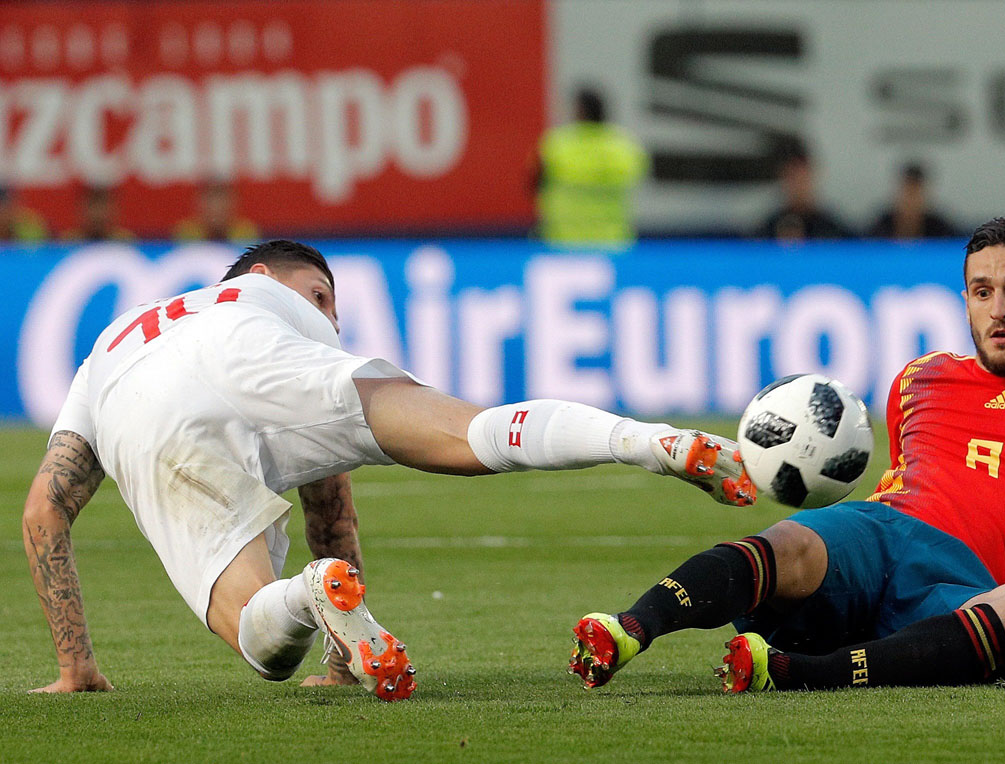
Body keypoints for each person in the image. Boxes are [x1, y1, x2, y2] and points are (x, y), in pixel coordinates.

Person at [569, 217, 1005, 693]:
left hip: (970, 591)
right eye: (981, 291)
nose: (998, 308)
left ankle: (793, 672)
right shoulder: (920, 378)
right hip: (884, 535)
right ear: (965, 301)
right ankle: (629, 630)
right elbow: (901, 483)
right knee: (792, 542)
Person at [24, 240, 754, 701]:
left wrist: (76, 666)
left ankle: (313, 600)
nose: (330, 317)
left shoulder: (113, 340)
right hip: (254, 352)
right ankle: (644, 440)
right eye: (319, 295)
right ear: (261, 276)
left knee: (260, 638)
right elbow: (330, 507)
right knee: (472, 432)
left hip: (140, 406)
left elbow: (44, 512)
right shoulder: (268, 307)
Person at [536, 87, 648, 247]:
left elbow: (535, 184)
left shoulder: (557, 145)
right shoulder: (624, 147)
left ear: (579, 110)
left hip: (563, 241)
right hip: (612, 241)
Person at [755, 139, 851, 242]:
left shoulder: (835, 231)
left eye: (801, 175)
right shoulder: (767, 233)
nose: (797, 183)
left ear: (811, 173)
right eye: (791, 175)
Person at [863, 162, 957, 239]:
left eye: (915, 194)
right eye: (908, 193)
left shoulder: (941, 230)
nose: (910, 201)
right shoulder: (880, 228)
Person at [174, 180, 260, 242]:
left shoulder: (245, 233)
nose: (216, 213)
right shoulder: (188, 234)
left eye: (222, 208)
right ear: (200, 207)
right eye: (211, 206)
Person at [62, 185, 133, 242]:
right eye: (92, 205)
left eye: (102, 206)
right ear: (81, 210)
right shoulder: (70, 241)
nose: (97, 213)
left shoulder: (124, 241)